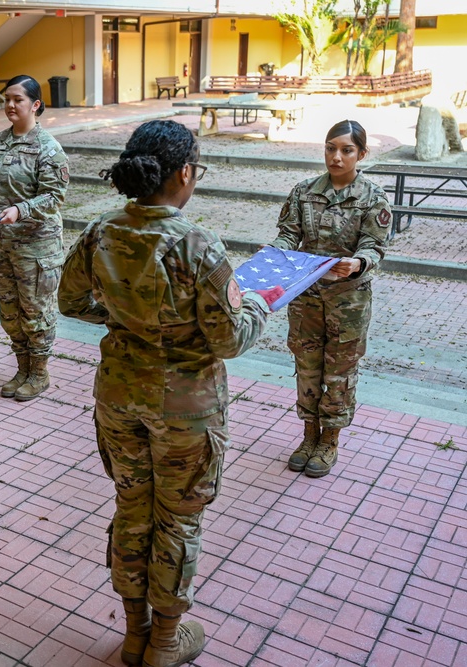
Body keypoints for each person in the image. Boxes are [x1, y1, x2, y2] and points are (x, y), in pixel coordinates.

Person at [58, 120, 280, 667]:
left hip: (119, 396)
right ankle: (164, 641)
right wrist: (260, 305)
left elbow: (69, 302)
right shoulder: (198, 245)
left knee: (131, 506)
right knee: (178, 519)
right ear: (183, 173)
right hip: (185, 407)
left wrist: (123, 318)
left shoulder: (100, 231)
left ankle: (134, 631)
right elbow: (228, 340)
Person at [271, 119, 391, 479]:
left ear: (362, 153)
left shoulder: (373, 197)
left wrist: (358, 262)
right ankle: (309, 436)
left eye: (346, 150)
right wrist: (274, 254)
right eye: (330, 148)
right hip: (306, 298)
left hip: (348, 301)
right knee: (307, 367)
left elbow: (375, 245)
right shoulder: (303, 191)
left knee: (339, 372)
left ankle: (330, 441)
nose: (336, 157)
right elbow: (288, 235)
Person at [0, 74, 69, 401]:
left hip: (37, 248)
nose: (9, 105)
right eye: (6, 98)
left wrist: (21, 210)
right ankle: (22, 368)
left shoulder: (48, 148)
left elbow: (54, 196)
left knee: (36, 313)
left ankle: (39, 374)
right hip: (3, 244)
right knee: (10, 313)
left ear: (35, 105)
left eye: (17, 99)